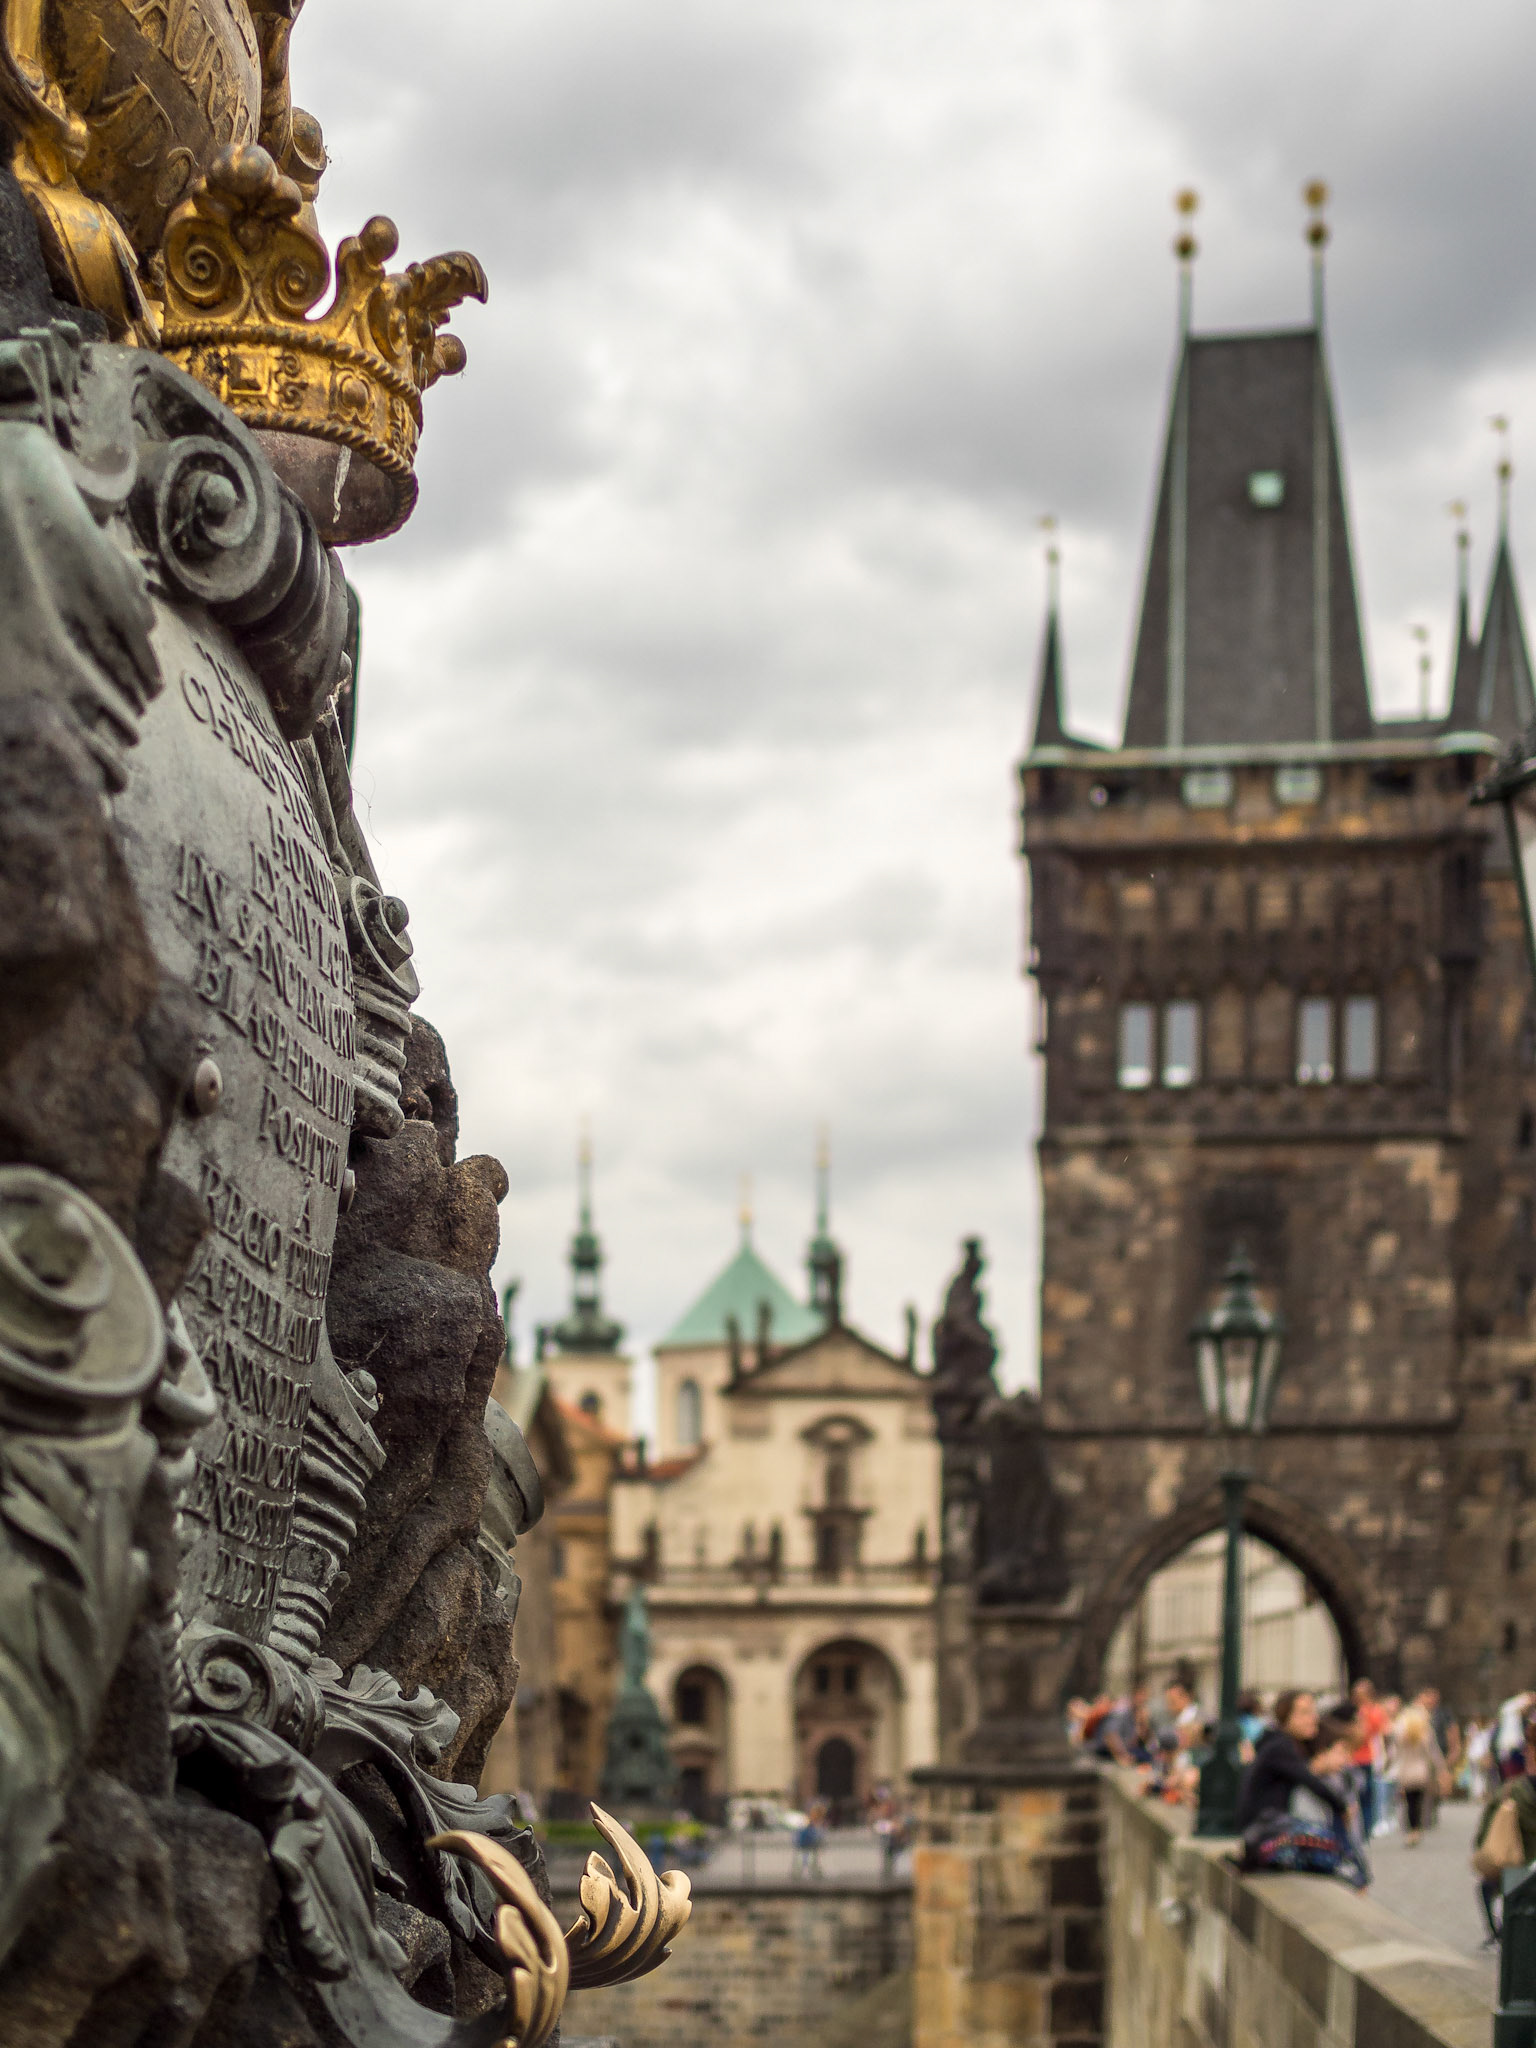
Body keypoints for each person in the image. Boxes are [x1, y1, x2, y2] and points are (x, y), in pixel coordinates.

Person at [1238, 1693, 1362, 1886]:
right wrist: (1342, 1807)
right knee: (1333, 1851)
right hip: (1265, 1834)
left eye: (1313, 1712)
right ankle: (1360, 1878)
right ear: (1285, 1717)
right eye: (1304, 1713)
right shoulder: (1280, 1746)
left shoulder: (1276, 1742)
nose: (1313, 1718)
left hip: (1264, 1831)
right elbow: (1310, 1782)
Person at [1474, 1715, 1536, 1943]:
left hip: (1518, 1878)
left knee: (1486, 1886)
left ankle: (1498, 1934)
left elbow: (1482, 1839)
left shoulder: (1511, 1792)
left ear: (1530, 1751)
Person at [1392, 1701, 1445, 1845]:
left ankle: (1411, 1829)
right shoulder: (1424, 1732)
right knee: (1419, 1800)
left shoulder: (1399, 1731)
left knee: (1409, 1801)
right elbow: (1433, 1753)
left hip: (1405, 1769)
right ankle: (1416, 1828)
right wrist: (1441, 1768)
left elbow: (1394, 1752)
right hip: (1421, 1770)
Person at [1349, 1679, 1390, 1839]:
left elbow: (1381, 1731)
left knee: (1367, 1795)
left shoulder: (1374, 1711)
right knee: (1354, 1795)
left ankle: (1366, 1829)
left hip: (1367, 1757)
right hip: (1351, 1758)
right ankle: (1357, 1829)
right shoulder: (1353, 1710)